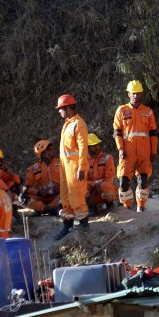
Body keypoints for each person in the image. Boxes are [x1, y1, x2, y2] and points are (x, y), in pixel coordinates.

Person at [113, 80, 157, 212]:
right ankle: (126, 207)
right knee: (124, 181)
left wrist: (153, 152)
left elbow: (153, 133)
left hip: (144, 152)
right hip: (127, 151)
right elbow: (117, 132)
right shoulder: (121, 110)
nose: (136, 96)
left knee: (143, 180)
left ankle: (141, 206)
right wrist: (120, 148)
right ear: (128, 94)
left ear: (141, 94)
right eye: (133, 93)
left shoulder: (148, 111)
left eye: (138, 93)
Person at [54, 94, 89, 240]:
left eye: (61, 109)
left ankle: (83, 223)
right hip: (65, 167)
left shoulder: (79, 124)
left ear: (68, 108)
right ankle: (67, 225)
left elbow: (83, 148)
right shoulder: (68, 123)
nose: (59, 112)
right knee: (65, 198)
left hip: (75, 167)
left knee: (76, 197)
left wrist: (81, 167)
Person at [22, 140, 61, 216]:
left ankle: (42, 209)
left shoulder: (61, 163)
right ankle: (49, 209)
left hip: (58, 196)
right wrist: (39, 192)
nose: (53, 151)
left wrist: (61, 187)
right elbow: (26, 188)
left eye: (53, 148)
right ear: (43, 154)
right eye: (50, 150)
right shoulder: (32, 169)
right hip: (42, 198)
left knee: (68, 196)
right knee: (24, 200)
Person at [86, 133, 117, 215]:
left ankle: (110, 205)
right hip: (92, 192)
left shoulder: (107, 158)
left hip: (103, 190)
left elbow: (109, 178)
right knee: (81, 188)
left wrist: (97, 185)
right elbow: (84, 180)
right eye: (94, 146)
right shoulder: (83, 161)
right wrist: (94, 186)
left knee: (106, 185)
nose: (97, 147)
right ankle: (91, 207)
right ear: (87, 148)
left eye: (98, 145)